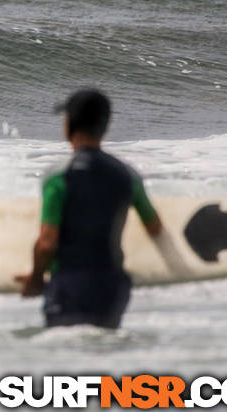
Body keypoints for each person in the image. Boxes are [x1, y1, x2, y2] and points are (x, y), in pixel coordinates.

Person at [14, 89, 163, 329]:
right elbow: (154, 227)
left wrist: (35, 278)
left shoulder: (58, 177)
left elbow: (47, 243)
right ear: (105, 126)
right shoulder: (127, 175)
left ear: (68, 125)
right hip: (113, 286)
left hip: (69, 284)